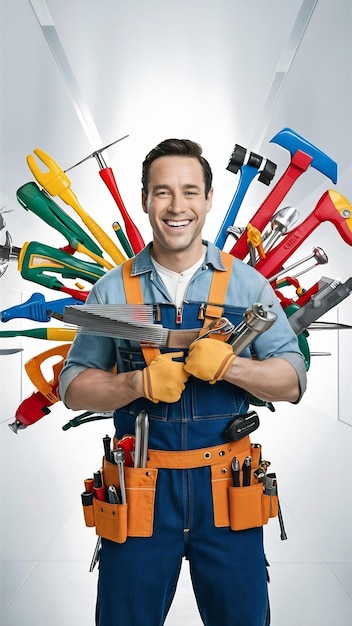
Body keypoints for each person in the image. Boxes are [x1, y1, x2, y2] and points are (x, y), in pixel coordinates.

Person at [59, 138, 306, 626]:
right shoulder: (112, 290)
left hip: (229, 491)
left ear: (209, 199)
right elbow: (72, 387)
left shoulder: (249, 286)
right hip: (138, 492)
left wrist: (230, 367)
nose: (177, 206)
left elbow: (291, 379)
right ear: (146, 199)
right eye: (163, 192)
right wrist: (138, 383)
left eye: (190, 192)